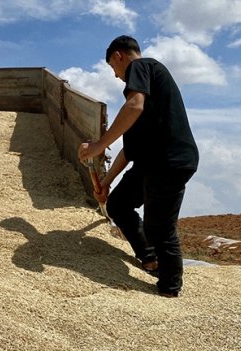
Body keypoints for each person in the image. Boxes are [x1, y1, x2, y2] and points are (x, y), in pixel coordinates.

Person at [78, 36, 199, 298]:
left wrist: (98, 145)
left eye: (113, 67)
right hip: (150, 162)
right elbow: (128, 151)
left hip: (169, 161)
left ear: (119, 56)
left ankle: (169, 287)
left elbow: (134, 105)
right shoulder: (145, 103)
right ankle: (150, 258)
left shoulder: (142, 67)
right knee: (119, 204)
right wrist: (106, 184)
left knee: (159, 228)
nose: (116, 76)